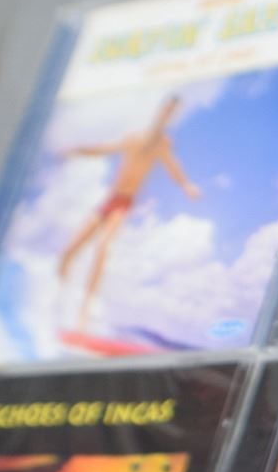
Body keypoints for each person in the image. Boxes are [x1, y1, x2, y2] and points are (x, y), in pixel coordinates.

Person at [56, 94, 200, 328]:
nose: (168, 115)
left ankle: (84, 313)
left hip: (124, 203)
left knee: (103, 246)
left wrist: (186, 185)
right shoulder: (134, 138)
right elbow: (101, 149)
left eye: (173, 112)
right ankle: (59, 300)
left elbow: (173, 167)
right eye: (167, 109)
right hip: (109, 201)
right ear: (161, 110)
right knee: (69, 252)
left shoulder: (162, 145)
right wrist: (76, 150)